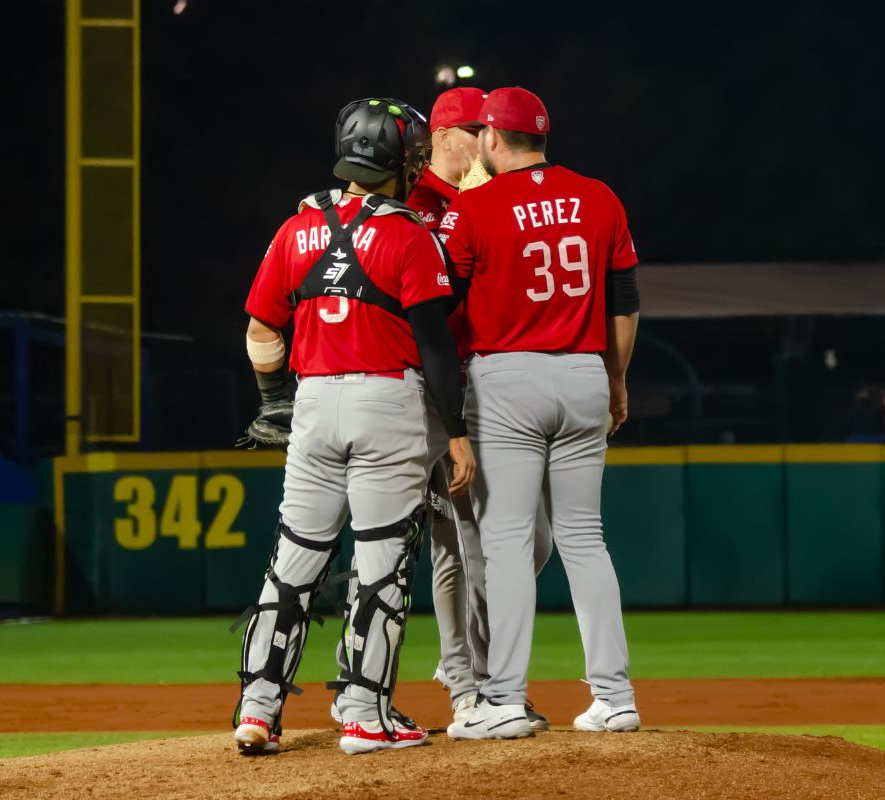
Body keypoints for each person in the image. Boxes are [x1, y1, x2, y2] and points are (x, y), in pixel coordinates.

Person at [232, 97, 475, 757]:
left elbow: (261, 330)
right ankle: (364, 714)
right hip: (387, 407)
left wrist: (272, 399)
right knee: (380, 568)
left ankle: (257, 710)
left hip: (312, 406)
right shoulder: (408, 235)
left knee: (292, 563)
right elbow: (436, 348)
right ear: (396, 162)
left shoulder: (296, 228)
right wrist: (455, 430)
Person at [439, 87, 642, 739]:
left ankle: (502, 699)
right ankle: (614, 696)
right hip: (585, 370)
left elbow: (444, 303)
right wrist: (615, 380)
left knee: (505, 539)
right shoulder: (599, 196)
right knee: (585, 536)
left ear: (493, 139)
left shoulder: (477, 207)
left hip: (508, 376)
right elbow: (625, 300)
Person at [403, 86, 553, 729]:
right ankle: (478, 684)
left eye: (489, 126)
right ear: (440, 136)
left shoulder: (491, 201)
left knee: (525, 540)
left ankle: (470, 670)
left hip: (493, 386)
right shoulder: (410, 206)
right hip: (432, 392)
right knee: (462, 542)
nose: (486, 136)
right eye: (473, 127)